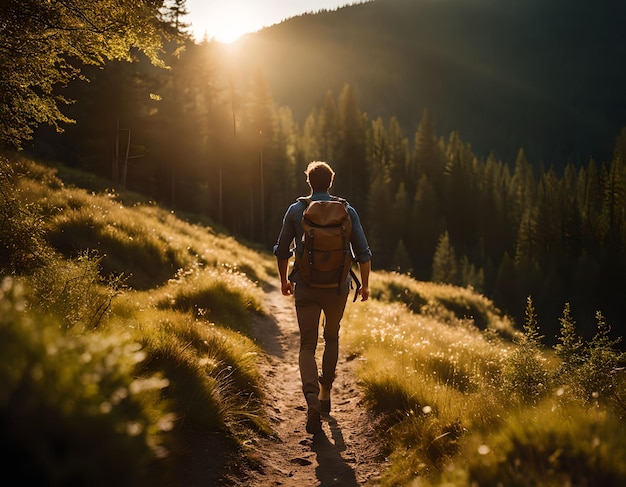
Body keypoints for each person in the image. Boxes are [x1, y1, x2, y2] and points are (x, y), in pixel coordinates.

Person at [273, 161, 372, 434]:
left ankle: (311, 399)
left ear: (309, 181)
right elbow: (363, 253)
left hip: (306, 285)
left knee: (307, 344)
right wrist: (364, 286)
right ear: (331, 181)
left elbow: (282, 250)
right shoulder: (347, 211)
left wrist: (284, 280)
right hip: (337, 289)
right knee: (331, 338)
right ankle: (326, 393)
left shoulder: (296, 210)